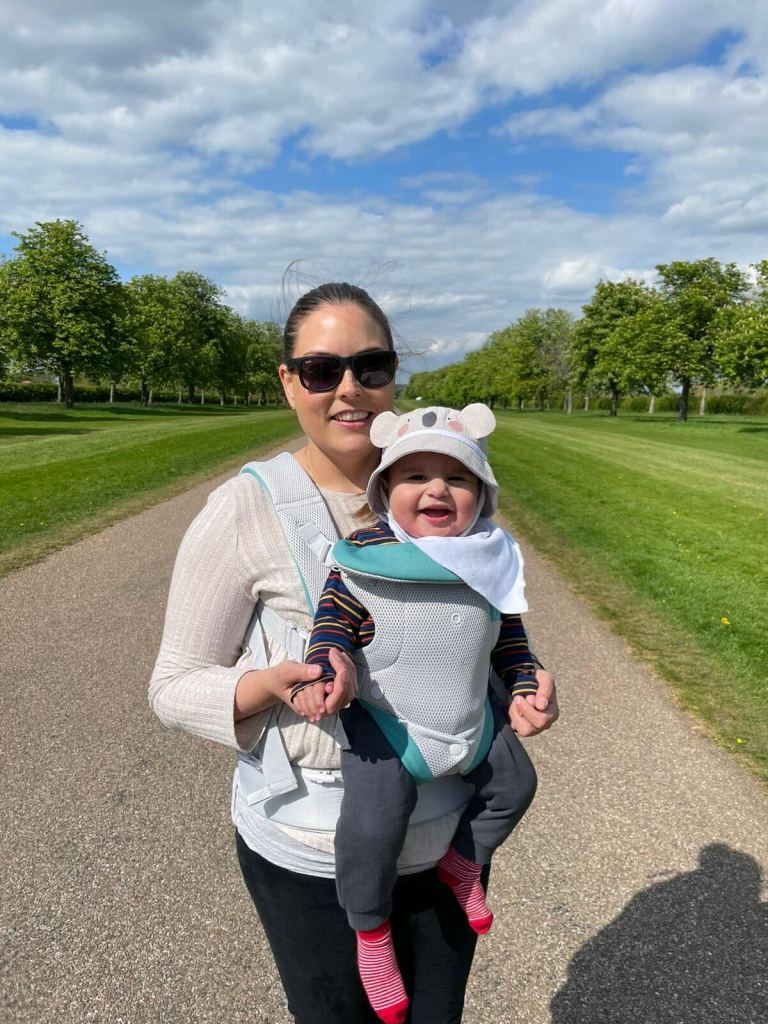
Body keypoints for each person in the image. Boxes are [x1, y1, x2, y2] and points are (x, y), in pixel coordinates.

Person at [149, 282, 559, 1024]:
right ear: (288, 381)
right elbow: (172, 684)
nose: (349, 389)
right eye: (320, 369)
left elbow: (481, 634)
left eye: (370, 366)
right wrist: (271, 683)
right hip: (311, 850)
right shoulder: (247, 507)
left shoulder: (447, 500)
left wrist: (523, 686)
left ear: (393, 378)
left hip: (446, 840)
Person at [291, 403, 542, 1024]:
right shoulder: (362, 557)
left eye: (457, 478)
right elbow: (330, 629)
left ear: (480, 495)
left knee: (516, 784)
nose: (437, 489)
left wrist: (525, 682)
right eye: (415, 476)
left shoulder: (488, 557)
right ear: (384, 492)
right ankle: (371, 932)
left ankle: (463, 861)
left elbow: (508, 638)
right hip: (390, 723)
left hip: (470, 715)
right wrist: (330, 665)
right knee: (373, 828)